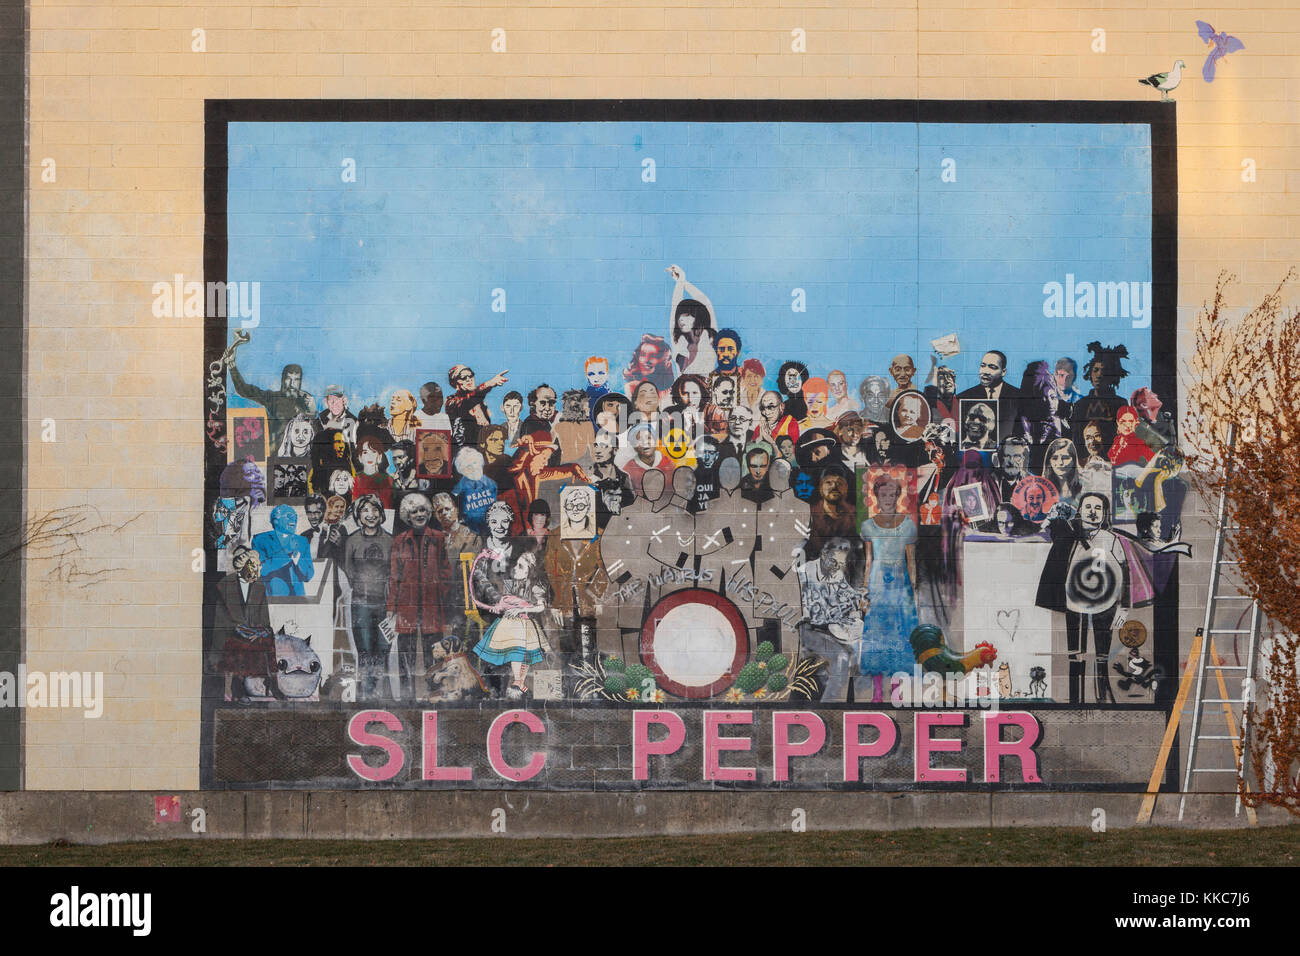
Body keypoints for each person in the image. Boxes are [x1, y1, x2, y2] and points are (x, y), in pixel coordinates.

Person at [1036, 492, 1129, 704]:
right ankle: (1075, 699)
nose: (1092, 512)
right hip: (1074, 604)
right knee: (1075, 655)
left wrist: (1123, 607)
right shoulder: (1067, 535)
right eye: (1088, 507)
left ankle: (1102, 697)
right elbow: (1044, 532)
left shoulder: (1112, 540)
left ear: (1105, 513)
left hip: (1106, 605)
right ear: (1080, 510)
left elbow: (1125, 576)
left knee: (1102, 655)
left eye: (1098, 508)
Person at [858, 474, 919, 703]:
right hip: (877, 585)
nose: (887, 499)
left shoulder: (908, 526)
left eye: (892, 495)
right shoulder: (867, 526)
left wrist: (913, 590)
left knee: (899, 636)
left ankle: (896, 690)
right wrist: (865, 592)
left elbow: (911, 561)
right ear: (876, 496)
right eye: (882, 494)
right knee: (876, 636)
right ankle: (876, 692)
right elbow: (868, 561)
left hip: (900, 587)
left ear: (898, 497)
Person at [386, 493, 452, 700]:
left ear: (428, 512)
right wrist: (391, 608)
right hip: (406, 606)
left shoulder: (438, 538)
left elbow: (446, 571)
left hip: (432, 606)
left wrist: (439, 591)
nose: (419, 514)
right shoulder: (399, 541)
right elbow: (394, 575)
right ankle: (407, 697)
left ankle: (434, 694)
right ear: (407, 515)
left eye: (422, 510)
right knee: (407, 655)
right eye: (414, 511)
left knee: (435, 654)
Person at [472, 541, 553, 698]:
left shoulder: (535, 587)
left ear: (530, 571)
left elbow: (540, 607)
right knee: (516, 654)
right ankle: (518, 683)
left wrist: (522, 609)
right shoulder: (511, 585)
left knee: (523, 655)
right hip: (509, 626)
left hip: (523, 626)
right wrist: (498, 608)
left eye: (521, 567)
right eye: (516, 565)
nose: (515, 569)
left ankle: (519, 683)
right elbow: (504, 603)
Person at [795, 537, 870, 703]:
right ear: (823, 555)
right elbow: (802, 610)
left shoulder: (837, 575)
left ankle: (858, 707)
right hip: (804, 631)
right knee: (841, 657)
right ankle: (828, 708)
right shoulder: (805, 573)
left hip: (826, 631)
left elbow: (848, 599)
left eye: (841, 565)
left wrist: (857, 603)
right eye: (834, 562)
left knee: (860, 656)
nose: (837, 568)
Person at [343, 494, 394, 699]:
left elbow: (394, 572)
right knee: (364, 651)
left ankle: (380, 695)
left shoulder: (390, 540)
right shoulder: (352, 540)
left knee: (382, 652)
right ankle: (365, 694)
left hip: (384, 606)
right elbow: (349, 570)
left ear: (381, 514)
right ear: (358, 515)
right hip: (361, 605)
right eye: (365, 510)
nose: (370, 515)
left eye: (374, 510)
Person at [210, 545, 275, 703]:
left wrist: (261, 631)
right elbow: (220, 619)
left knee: (266, 642)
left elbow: (264, 618)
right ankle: (237, 690)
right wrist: (236, 628)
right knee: (237, 646)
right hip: (230, 633)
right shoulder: (225, 585)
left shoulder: (259, 586)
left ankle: (268, 685)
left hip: (253, 632)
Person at [228, 357, 316, 452]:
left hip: (300, 455)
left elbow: (313, 428)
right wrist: (232, 366)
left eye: (296, 380)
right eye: (289, 379)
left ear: (300, 382)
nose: (292, 383)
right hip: (276, 454)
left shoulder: (306, 401)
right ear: (283, 380)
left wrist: (312, 410)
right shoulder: (272, 398)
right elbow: (244, 390)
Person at [251, 504, 315, 597]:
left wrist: (296, 557)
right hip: (272, 598)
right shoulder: (260, 540)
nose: (294, 519)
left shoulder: (302, 541)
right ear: (276, 520)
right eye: (289, 516)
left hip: (298, 599)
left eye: (295, 516)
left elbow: (308, 575)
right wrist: (288, 551)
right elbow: (261, 570)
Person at [956, 350, 1021, 441]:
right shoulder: (963, 397)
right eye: (983, 366)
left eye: (992, 367)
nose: (985, 371)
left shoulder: (1019, 397)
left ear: (1003, 372)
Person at [667, 264, 718, 377]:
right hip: (682, 393)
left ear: (698, 317)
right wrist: (680, 282)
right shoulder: (678, 340)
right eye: (680, 316)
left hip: (706, 393)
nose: (681, 319)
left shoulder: (711, 337)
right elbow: (675, 305)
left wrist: (683, 281)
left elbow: (705, 302)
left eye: (687, 315)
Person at [446, 364, 509, 448]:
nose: (469, 379)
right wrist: (489, 384)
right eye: (463, 377)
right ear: (455, 382)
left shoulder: (480, 403)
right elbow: (469, 400)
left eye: (470, 375)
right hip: (464, 452)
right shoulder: (452, 402)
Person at [353, 434, 394, 507]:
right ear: (360, 457)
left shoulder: (388, 479)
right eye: (365, 452)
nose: (369, 456)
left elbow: (388, 506)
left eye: (374, 452)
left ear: (379, 457)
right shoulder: (354, 480)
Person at [1042, 437, 1083, 508]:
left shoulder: (1084, 486)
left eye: (1065, 457)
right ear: (1049, 462)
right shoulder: (1041, 489)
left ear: (1074, 461)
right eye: (1054, 458)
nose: (1060, 463)